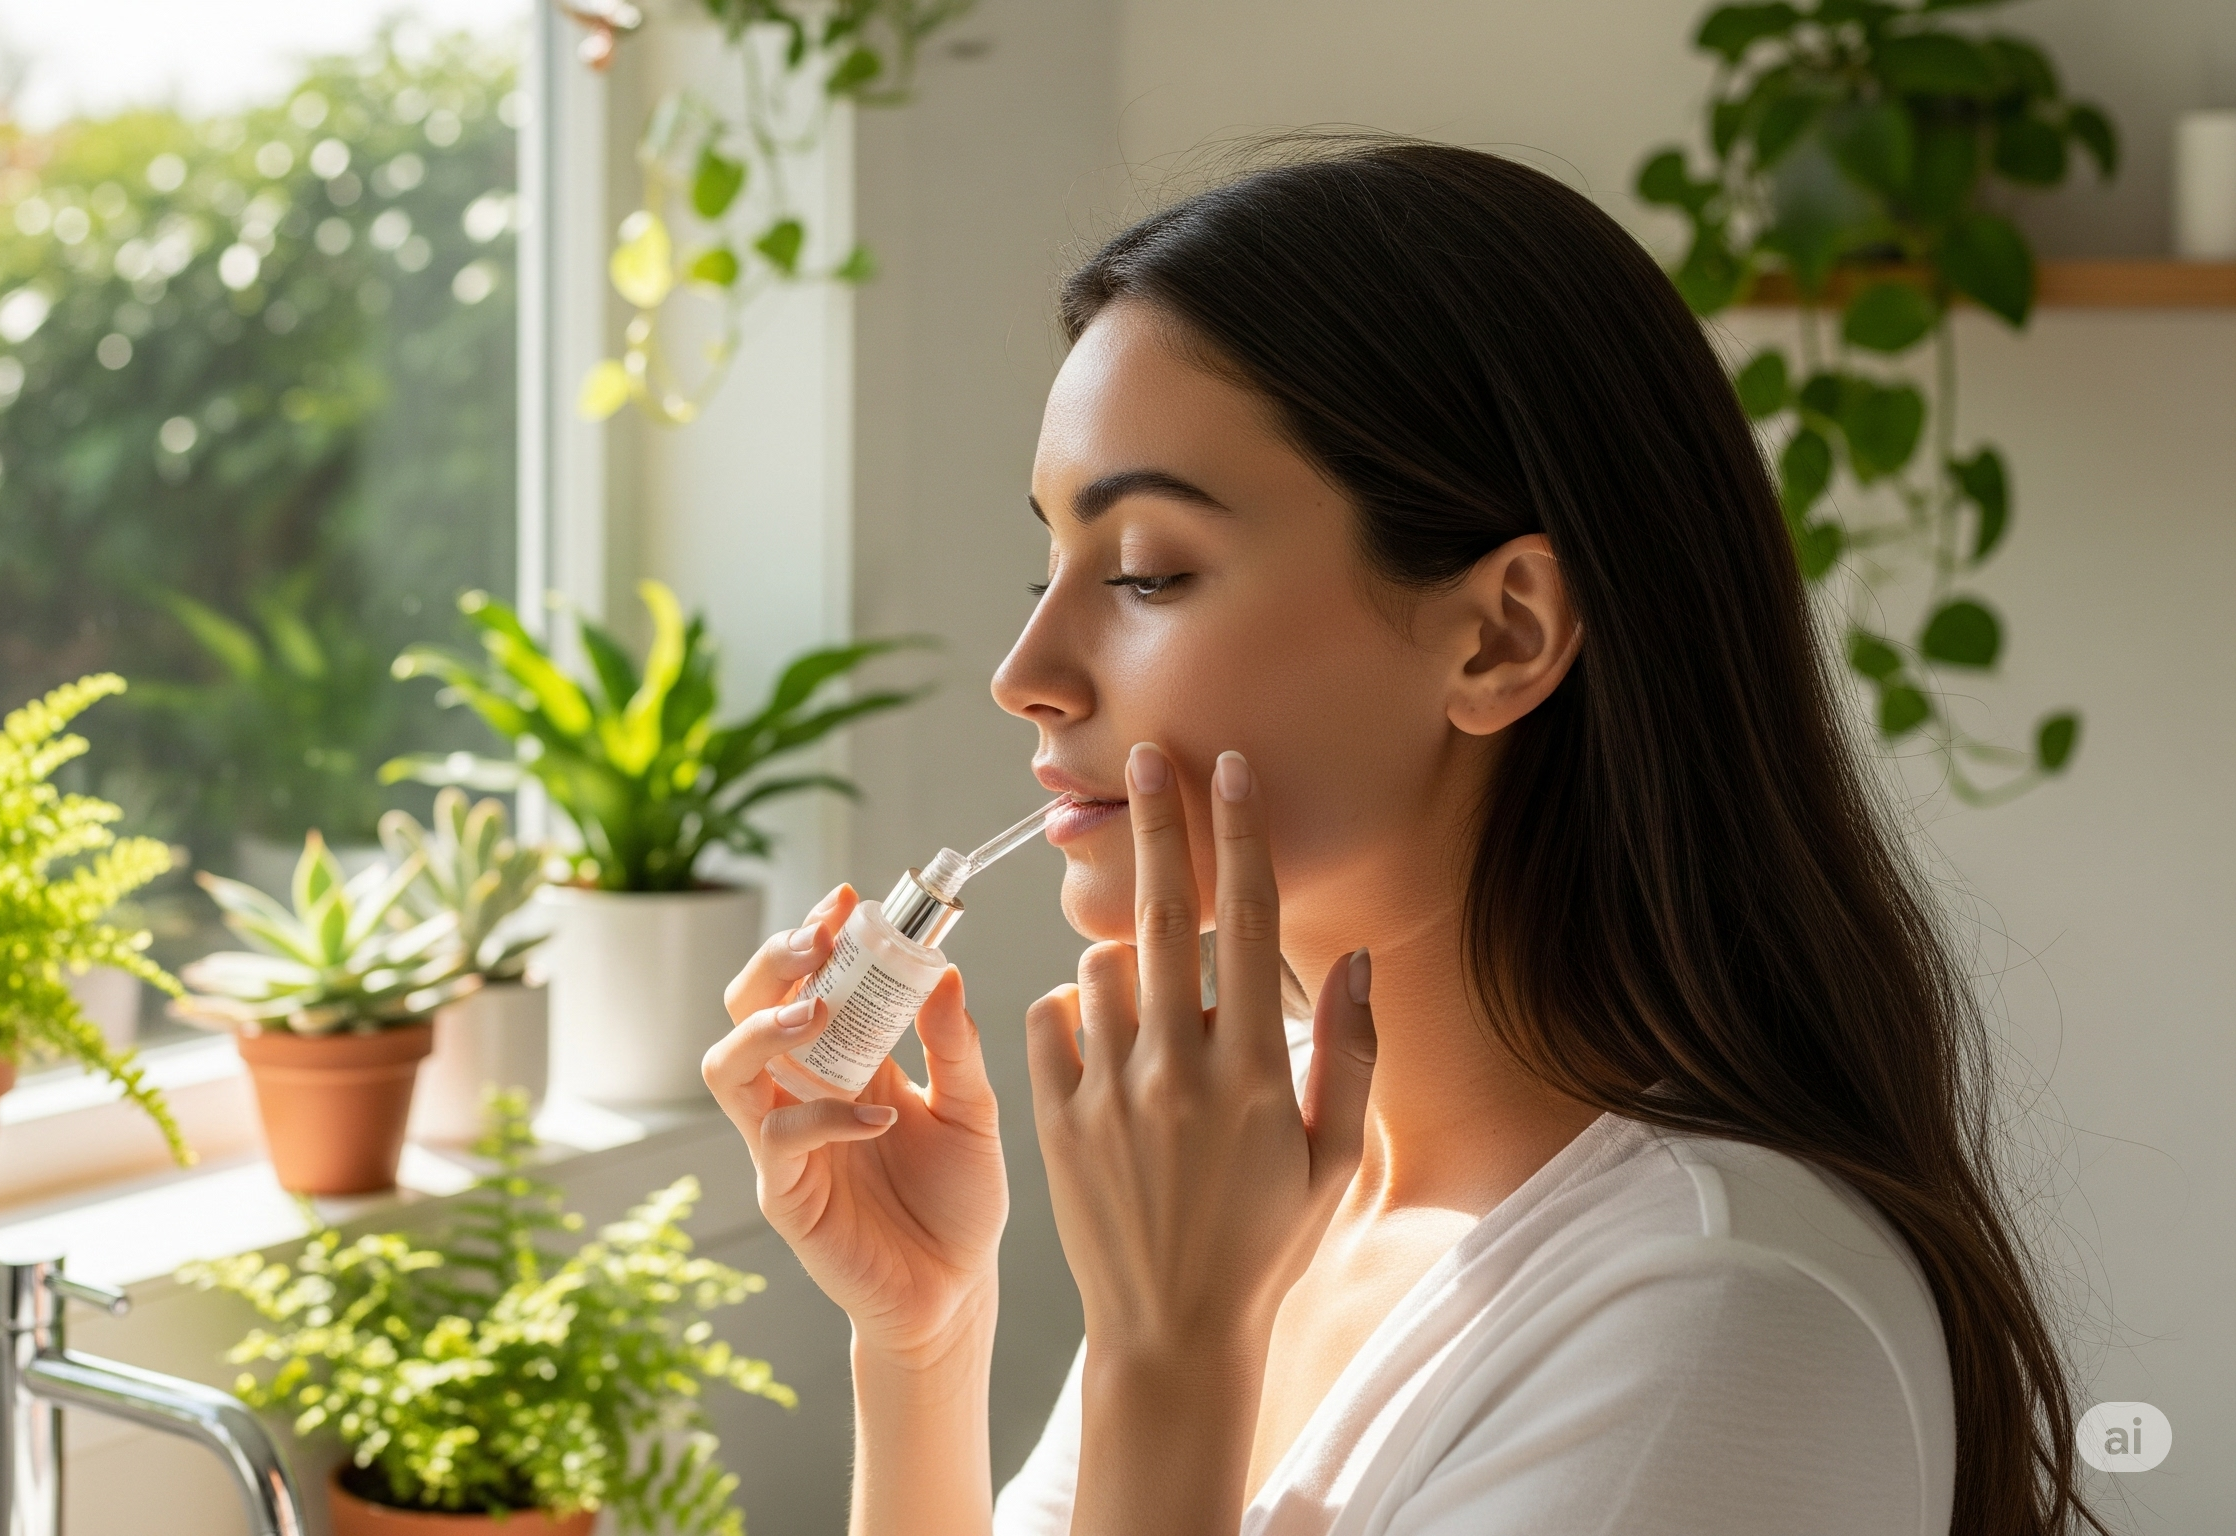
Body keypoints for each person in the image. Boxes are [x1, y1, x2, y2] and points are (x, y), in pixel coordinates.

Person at [701, 140, 2104, 1536]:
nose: (1027, 669)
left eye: (1147, 572)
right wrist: (926, 1340)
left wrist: (1171, 1354)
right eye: (1047, 565)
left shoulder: (1722, 1320)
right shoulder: (1273, 1153)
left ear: (1502, 636)